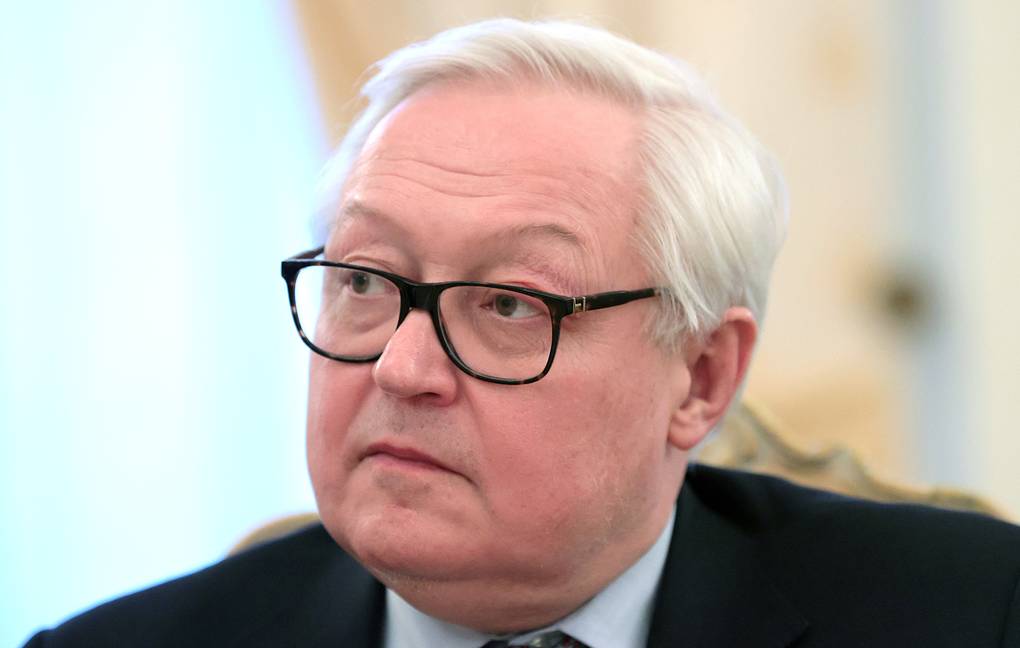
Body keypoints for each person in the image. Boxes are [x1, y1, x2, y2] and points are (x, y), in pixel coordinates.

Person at [26, 18, 1020, 648]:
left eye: (508, 304)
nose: (401, 367)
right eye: (364, 280)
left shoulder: (974, 614)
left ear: (701, 377)